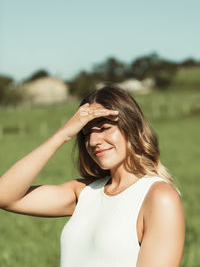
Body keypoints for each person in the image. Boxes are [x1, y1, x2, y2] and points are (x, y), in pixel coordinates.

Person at [0, 85, 185, 267]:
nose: (93, 141)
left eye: (104, 128)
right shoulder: (84, 193)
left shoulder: (158, 197)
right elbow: (4, 195)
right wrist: (62, 135)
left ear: (131, 127)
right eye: (86, 133)